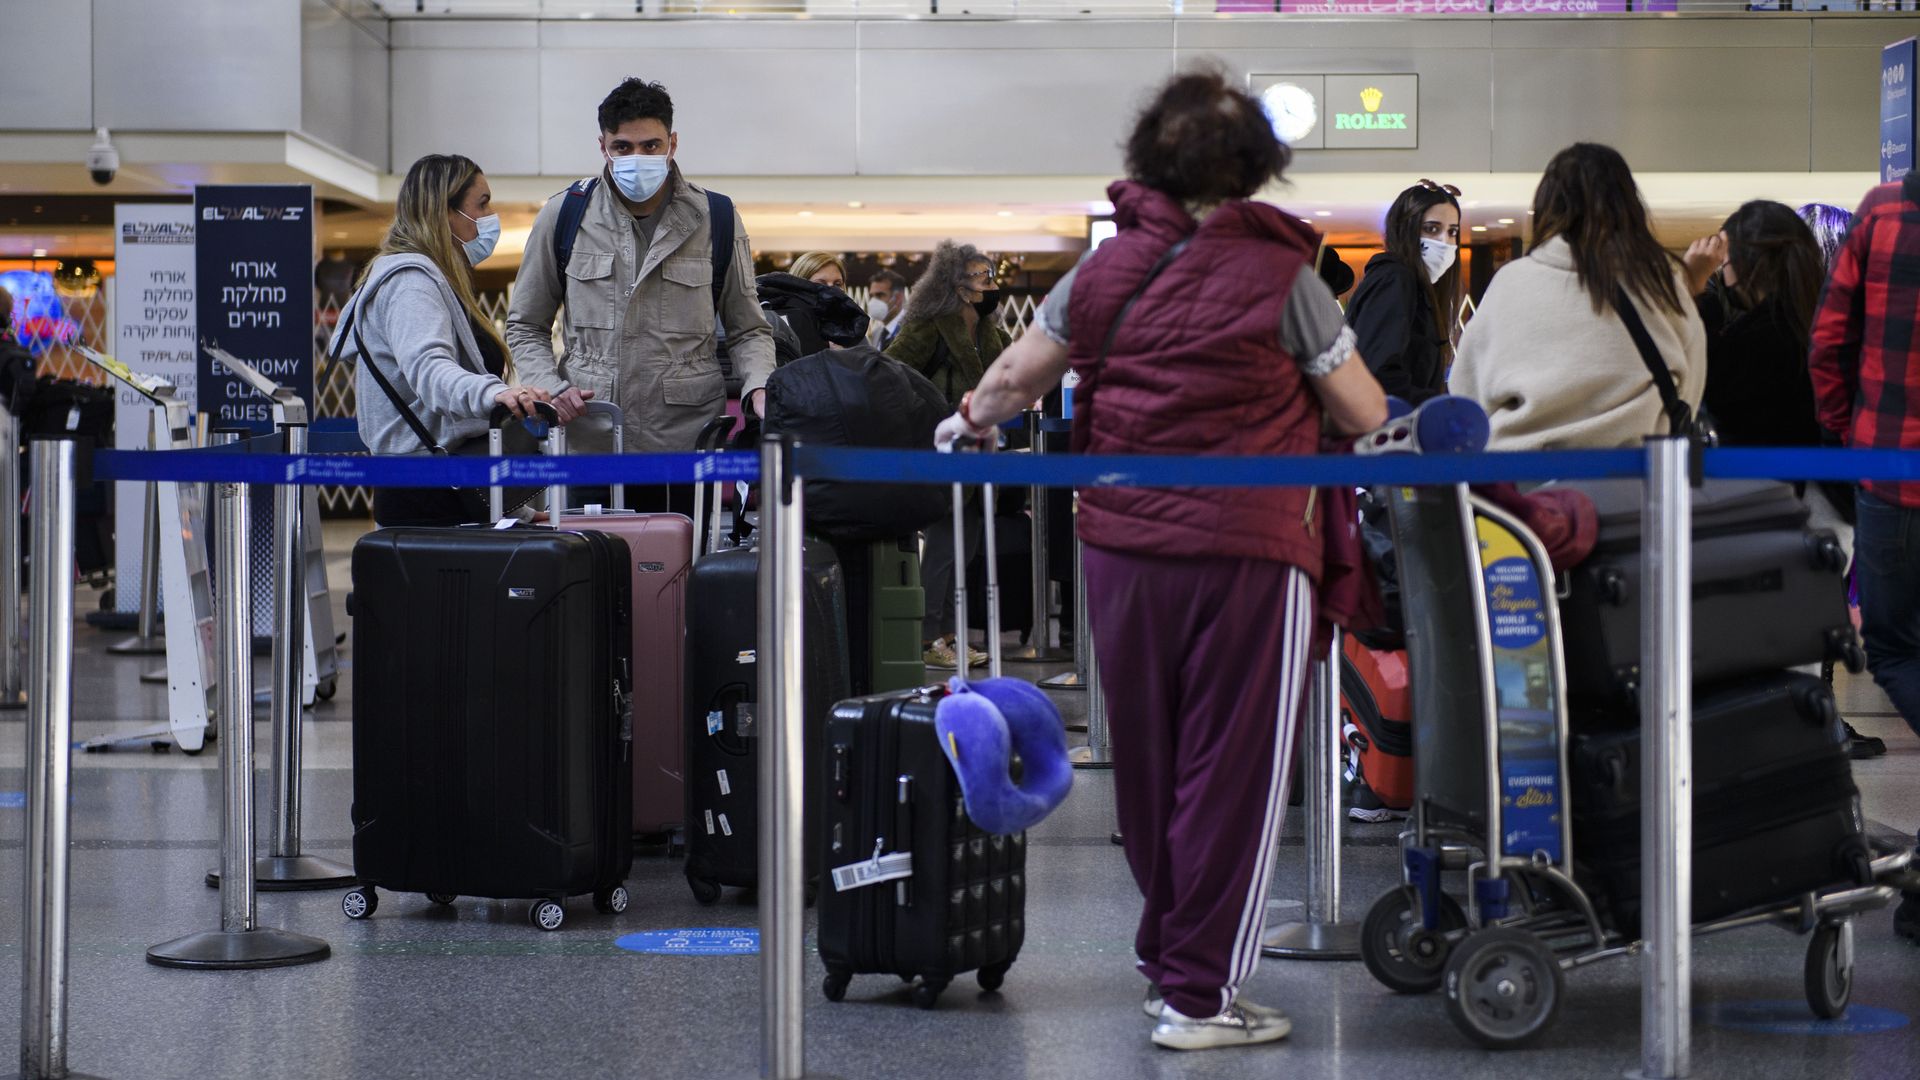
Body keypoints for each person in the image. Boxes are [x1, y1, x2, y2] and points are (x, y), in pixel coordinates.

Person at [935, 69, 1387, 1051]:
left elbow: (1017, 375)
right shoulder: (1285, 277)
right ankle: (1199, 996)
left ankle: (1168, 964)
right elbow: (1363, 410)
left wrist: (964, 418)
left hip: (1123, 546)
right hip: (1249, 551)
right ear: (1256, 167)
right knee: (1233, 767)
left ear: (1147, 156)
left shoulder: (1103, 272)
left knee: (1148, 760)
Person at [506, 77, 774, 515]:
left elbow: (748, 329)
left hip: (685, 445)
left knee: (676, 575)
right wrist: (552, 389)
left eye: (651, 146)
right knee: (590, 574)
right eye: (623, 147)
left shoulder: (717, 218)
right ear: (602, 147)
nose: (638, 158)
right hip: (591, 442)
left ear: (673, 143)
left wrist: (759, 387)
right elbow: (525, 325)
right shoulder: (565, 215)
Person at [1681, 201, 1882, 759]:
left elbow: (1697, 379)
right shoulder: (1812, 322)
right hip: (1823, 505)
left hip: (1774, 510)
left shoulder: (1763, 334)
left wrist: (1691, 291)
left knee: (1775, 649)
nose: (1722, 268)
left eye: (1728, 254)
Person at [331, 154, 588, 528]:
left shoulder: (436, 281)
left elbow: (457, 440)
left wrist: (521, 513)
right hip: (425, 499)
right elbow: (431, 372)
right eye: (481, 204)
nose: (490, 215)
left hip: (443, 492)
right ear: (445, 212)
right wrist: (494, 395)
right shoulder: (411, 285)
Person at [1809, 171, 1920, 944]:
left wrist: (1853, 439)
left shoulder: (1885, 212)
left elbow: (1829, 342)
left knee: (1888, 644)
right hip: (1886, 469)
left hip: (1894, 474)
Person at [1449, 143, 1705, 449]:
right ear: (1629, 204)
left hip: (1519, 482)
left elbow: (1465, 394)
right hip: (1635, 479)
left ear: (1548, 204)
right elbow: (1689, 391)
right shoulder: (1661, 284)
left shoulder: (1511, 283)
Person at [888, 241, 1010, 670]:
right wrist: (930, 411)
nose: (991, 285)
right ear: (957, 286)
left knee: (966, 547)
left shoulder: (989, 328)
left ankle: (948, 634)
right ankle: (926, 638)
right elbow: (890, 369)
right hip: (939, 449)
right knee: (941, 549)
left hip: (978, 453)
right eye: (983, 277)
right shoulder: (929, 326)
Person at [1343, 180, 1463, 404]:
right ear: (1405, 229)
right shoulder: (1395, 279)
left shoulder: (1414, 286)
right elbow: (1379, 374)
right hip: (1385, 430)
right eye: (1432, 229)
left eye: (1452, 232)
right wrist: (1442, 405)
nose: (1444, 242)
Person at [866, 268, 908, 349]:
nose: (874, 301)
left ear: (898, 298)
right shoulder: (876, 334)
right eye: (871, 296)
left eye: (880, 295)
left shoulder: (912, 330)